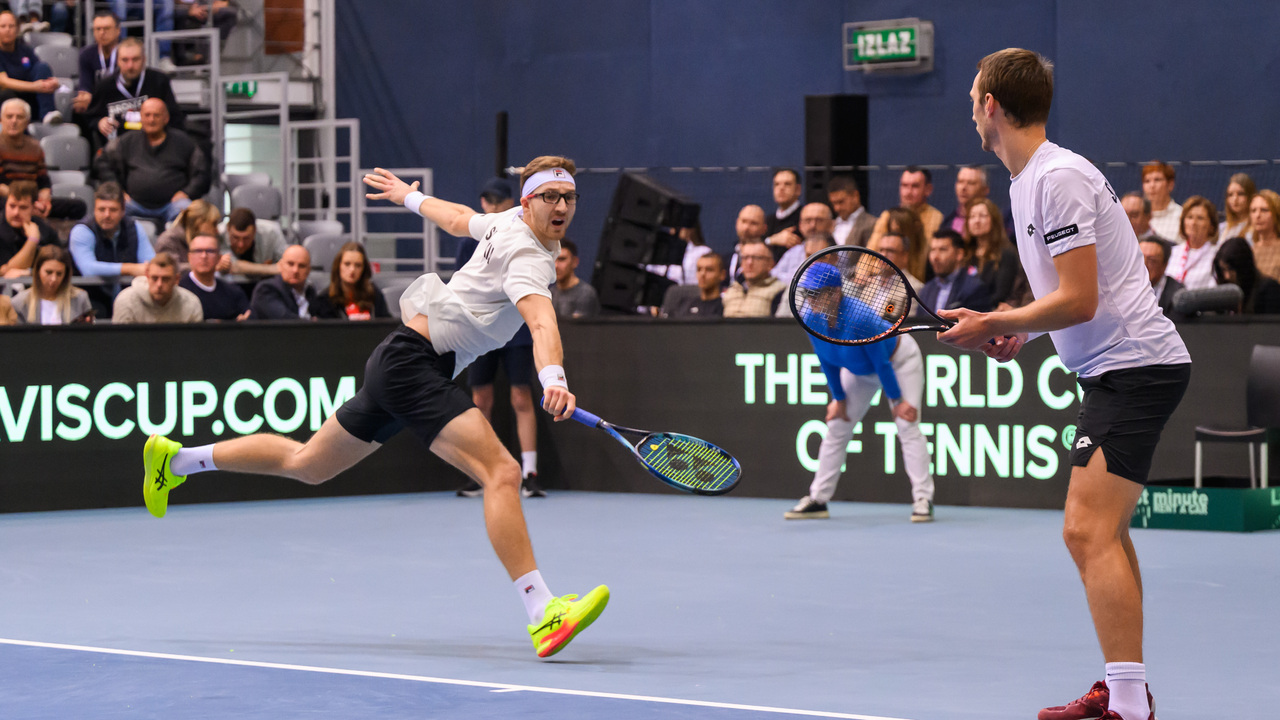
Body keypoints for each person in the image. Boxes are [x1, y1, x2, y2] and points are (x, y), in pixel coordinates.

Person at [140, 156, 609, 660]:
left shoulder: (506, 222)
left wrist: (407, 195)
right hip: (415, 365)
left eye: (569, 197)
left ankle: (176, 461)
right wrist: (554, 378)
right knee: (501, 472)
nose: (561, 206)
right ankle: (543, 612)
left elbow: (456, 218)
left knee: (308, 465)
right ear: (527, 200)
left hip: (400, 359)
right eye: (549, 197)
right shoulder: (530, 257)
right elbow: (541, 323)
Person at [947, 49, 1190, 720]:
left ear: (991, 105)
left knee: (1086, 531)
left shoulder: (1056, 178)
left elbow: (1081, 301)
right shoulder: (1028, 183)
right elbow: (1068, 296)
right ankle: (1125, 688)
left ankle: (1130, 706)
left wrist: (999, 315)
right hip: (1119, 367)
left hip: (1133, 367)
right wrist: (1017, 333)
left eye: (974, 97)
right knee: (1103, 530)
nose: (971, 108)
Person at [784, 262, 935, 522]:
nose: (810, 299)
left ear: (834, 293)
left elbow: (881, 363)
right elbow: (827, 359)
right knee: (836, 426)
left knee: (907, 424)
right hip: (858, 370)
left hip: (899, 360)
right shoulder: (810, 318)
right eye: (807, 293)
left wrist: (897, 400)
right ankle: (818, 499)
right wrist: (839, 399)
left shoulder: (861, 317)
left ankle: (923, 498)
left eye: (816, 293)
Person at [453, 176, 544, 499]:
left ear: (512, 203)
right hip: (477, 331)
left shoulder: (525, 236)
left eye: (497, 200)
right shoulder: (469, 240)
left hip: (515, 330)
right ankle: (482, 471)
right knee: (481, 401)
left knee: (521, 397)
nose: (491, 205)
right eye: (487, 200)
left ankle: (530, 472)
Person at [96, 97, 206, 225]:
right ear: (141, 117)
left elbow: (202, 171)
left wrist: (187, 192)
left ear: (166, 118)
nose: (151, 120)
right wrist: (117, 190)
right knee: (113, 211)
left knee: (190, 212)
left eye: (156, 115)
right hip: (133, 204)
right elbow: (102, 161)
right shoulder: (126, 141)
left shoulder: (184, 142)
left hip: (172, 205)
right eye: (147, 115)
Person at [67, 181, 155, 313]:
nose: (107, 215)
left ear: (123, 211)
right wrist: (130, 268)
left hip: (130, 298)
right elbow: (88, 269)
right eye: (101, 209)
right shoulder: (82, 231)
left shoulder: (134, 228)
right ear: (94, 209)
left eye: (113, 210)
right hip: (90, 300)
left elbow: (150, 264)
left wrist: (142, 269)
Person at [85, 37, 184, 146]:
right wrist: (99, 123)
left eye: (135, 59)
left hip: (154, 148)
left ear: (144, 59)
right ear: (117, 61)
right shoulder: (104, 86)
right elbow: (90, 118)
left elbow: (175, 118)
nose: (130, 66)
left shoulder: (159, 81)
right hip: (118, 149)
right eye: (125, 60)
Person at [0, 98, 85, 220]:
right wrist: (23, 204)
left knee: (79, 206)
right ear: (1, 120)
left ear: (27, 121)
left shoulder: (35, 147)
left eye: (19, 117)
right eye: (9, 116)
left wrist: (44, 199)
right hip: (8, 199)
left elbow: (43, 180)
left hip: (32, 199)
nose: (14, 121)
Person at [0, 10, 66, 124]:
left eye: (11, 26)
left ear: (17, 29)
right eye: (3, 26)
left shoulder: (25, 49)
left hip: (29, 98)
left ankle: (47, 114)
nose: (7, 30)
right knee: (7, 94)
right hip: (8, 101)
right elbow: (4, 82)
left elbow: (41, 70)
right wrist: (35, 87)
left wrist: (53, 83)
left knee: (42, 66)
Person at [965, 197, 1026, 308]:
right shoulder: (966, 254)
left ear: (994, 220)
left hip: (992, 313)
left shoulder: (1006, 254)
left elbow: (1001, 295)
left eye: (982, 216)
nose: (977, 221)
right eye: (972, 216)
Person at [112, 251, 203, 323]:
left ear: (176, 279)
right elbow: (120, 343)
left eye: (165, 279)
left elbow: (195, 344)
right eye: (154, 278)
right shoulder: (126, 301)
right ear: (147, 276)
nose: (159, 284)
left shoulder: (191, 304)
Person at [178, 232, 249, 321]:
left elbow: (248, 316)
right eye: (198, 251)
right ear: (189, 257)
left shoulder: (233, 292)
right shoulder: (179, 292)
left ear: (219, 257)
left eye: (210, 251)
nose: (204, 256)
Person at [12, 245, 92, 324]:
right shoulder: (19, 302)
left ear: (66, 274)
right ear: (37, 271)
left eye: (59, 274)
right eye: (49, 272)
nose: (53, 279)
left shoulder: (80, 298)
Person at [868, 167, 943, 250]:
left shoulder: (936, 217)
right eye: (904, 185)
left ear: (928, 189)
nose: (908, 192)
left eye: (915, 186)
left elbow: (924, 255)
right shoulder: (887, 216)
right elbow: (868, 255)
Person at [920, 229, 994, 313]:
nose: (935, 257)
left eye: (942, 249)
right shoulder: (926, 290)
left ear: (959, 254)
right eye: (933, 250)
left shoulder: (975, 288)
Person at [312, 241, 391, 320]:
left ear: (364, 269)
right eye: (347, 264)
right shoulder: (325, 299)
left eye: (358, 265)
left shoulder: (374, 294)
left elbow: (386, 325)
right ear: (338, 266)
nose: (352, 270)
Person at [0, 179, 59, 277]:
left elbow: (59, 265)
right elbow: (7, 274)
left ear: (33, 208)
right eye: (12, 206)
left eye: (23, 207)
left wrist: (30, 272)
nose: (16, 213)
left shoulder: (46, 231)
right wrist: (32, 241)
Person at [1212, 236, 1280, 315]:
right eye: (1223, 270)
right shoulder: (1223, 295)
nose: (1227, 276)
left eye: (1231, 270)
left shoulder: (1269, 289)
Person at [1164, 195, 1219, 291]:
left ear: (1211, 226)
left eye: (1200, 218)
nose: (1193, 223)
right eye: (1189, 217)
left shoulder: (1216, 255)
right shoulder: (1172, 252)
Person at [248, 244, 317, 320]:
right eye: (290, 264)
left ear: (309, 270)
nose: (295, 270)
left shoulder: (310, 291)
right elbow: (285, 321)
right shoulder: (265, 289)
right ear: (281, 265)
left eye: (301, 266)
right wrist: (315, 324)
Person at [772, 202, 834, 281]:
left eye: (819, 220)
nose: (813, 225)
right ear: (800, 225)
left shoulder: (841, 253)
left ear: (831, 225)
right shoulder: (793, 252)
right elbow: (773, 276)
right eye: (808, 220)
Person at [218, 207, 286, 278]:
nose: (241, 244)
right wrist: (272, 269)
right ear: (228, 229)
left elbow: (286, 264)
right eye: (235, 238)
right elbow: (233, 266)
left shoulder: (272, 232)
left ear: (255, 231)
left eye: (246, 238)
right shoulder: (218, 233)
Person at [75, 11, 122, 114]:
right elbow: (85, 86)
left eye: (106, 28)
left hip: (122, 103)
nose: (102, 33)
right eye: (98, 29)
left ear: (118, 30)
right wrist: (84, 96)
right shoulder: (86, 54)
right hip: (97, 105)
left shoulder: (126, 53)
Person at [722, 241, 783, 317]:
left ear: (771, 264)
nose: (749, 263)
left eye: (757, 258)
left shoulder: (780, 290)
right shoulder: (732, 289)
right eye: (745, 258)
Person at [154, 198, 220, 266]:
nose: (217, 230)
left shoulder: (210, 242)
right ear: (199, 223)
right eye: (214, 224)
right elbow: (169, 269)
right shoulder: (167, 241)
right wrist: (209, 266)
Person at [660, 251, 724, 318]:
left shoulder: (726, 309)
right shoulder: (683, 306)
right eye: (699, 269)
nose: (702, 274)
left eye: (709, 270)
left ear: (722, 275)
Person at [549, 238, 599, 319]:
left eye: (562, 259)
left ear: (575, 262)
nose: (556, 266)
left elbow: (576, 330)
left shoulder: (586, 294)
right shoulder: (550, 294)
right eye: (553, 259)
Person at [1138, 237, 1184, 321]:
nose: (1144, 265)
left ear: (1165, 265)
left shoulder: (1177, 295)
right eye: (1139, 259)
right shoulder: (1122, 287)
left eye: (1152, 261)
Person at [828, 175, 874, 247]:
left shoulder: (872, 224)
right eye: (833, 203)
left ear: (855, 196)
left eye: (841, 202)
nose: (837, 208)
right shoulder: (829, 225)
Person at [942, 164, 989, 235]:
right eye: (960, 182)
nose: (963, 188)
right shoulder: (947, 222)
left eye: (971, 183)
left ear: (984, 190)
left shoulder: (993, 222)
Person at [1142, 162, 1181, 242]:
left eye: (1157, 180)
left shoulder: (1181, 216)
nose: (1152, 185)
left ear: (1170, 185)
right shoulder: (1139, 217)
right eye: (1147, 181)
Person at [726, 204, 766, 283]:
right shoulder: (727, 259)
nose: (746, 228)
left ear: (764, 228)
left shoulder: (767, 258)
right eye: (743, 221)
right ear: (737, 223)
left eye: (753, 223)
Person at [1249, 189, 1280, 282]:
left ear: (1276, 214)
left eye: (1264, 210)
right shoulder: (1249, 252)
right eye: (1253, 211)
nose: (1258, 215)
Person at [764, 167, 802, 238]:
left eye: (787, 184)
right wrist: (771, 240)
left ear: (798, 189)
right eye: (777, 184)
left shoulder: (805, 218)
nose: (781, 188)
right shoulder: (768, 221)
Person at [1219, 173, 1255, 242]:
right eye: (1230, 195)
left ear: (1250, 196)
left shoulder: (1257, 228)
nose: (1235, 199)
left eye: (1240, 194)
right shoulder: (1221, 228)